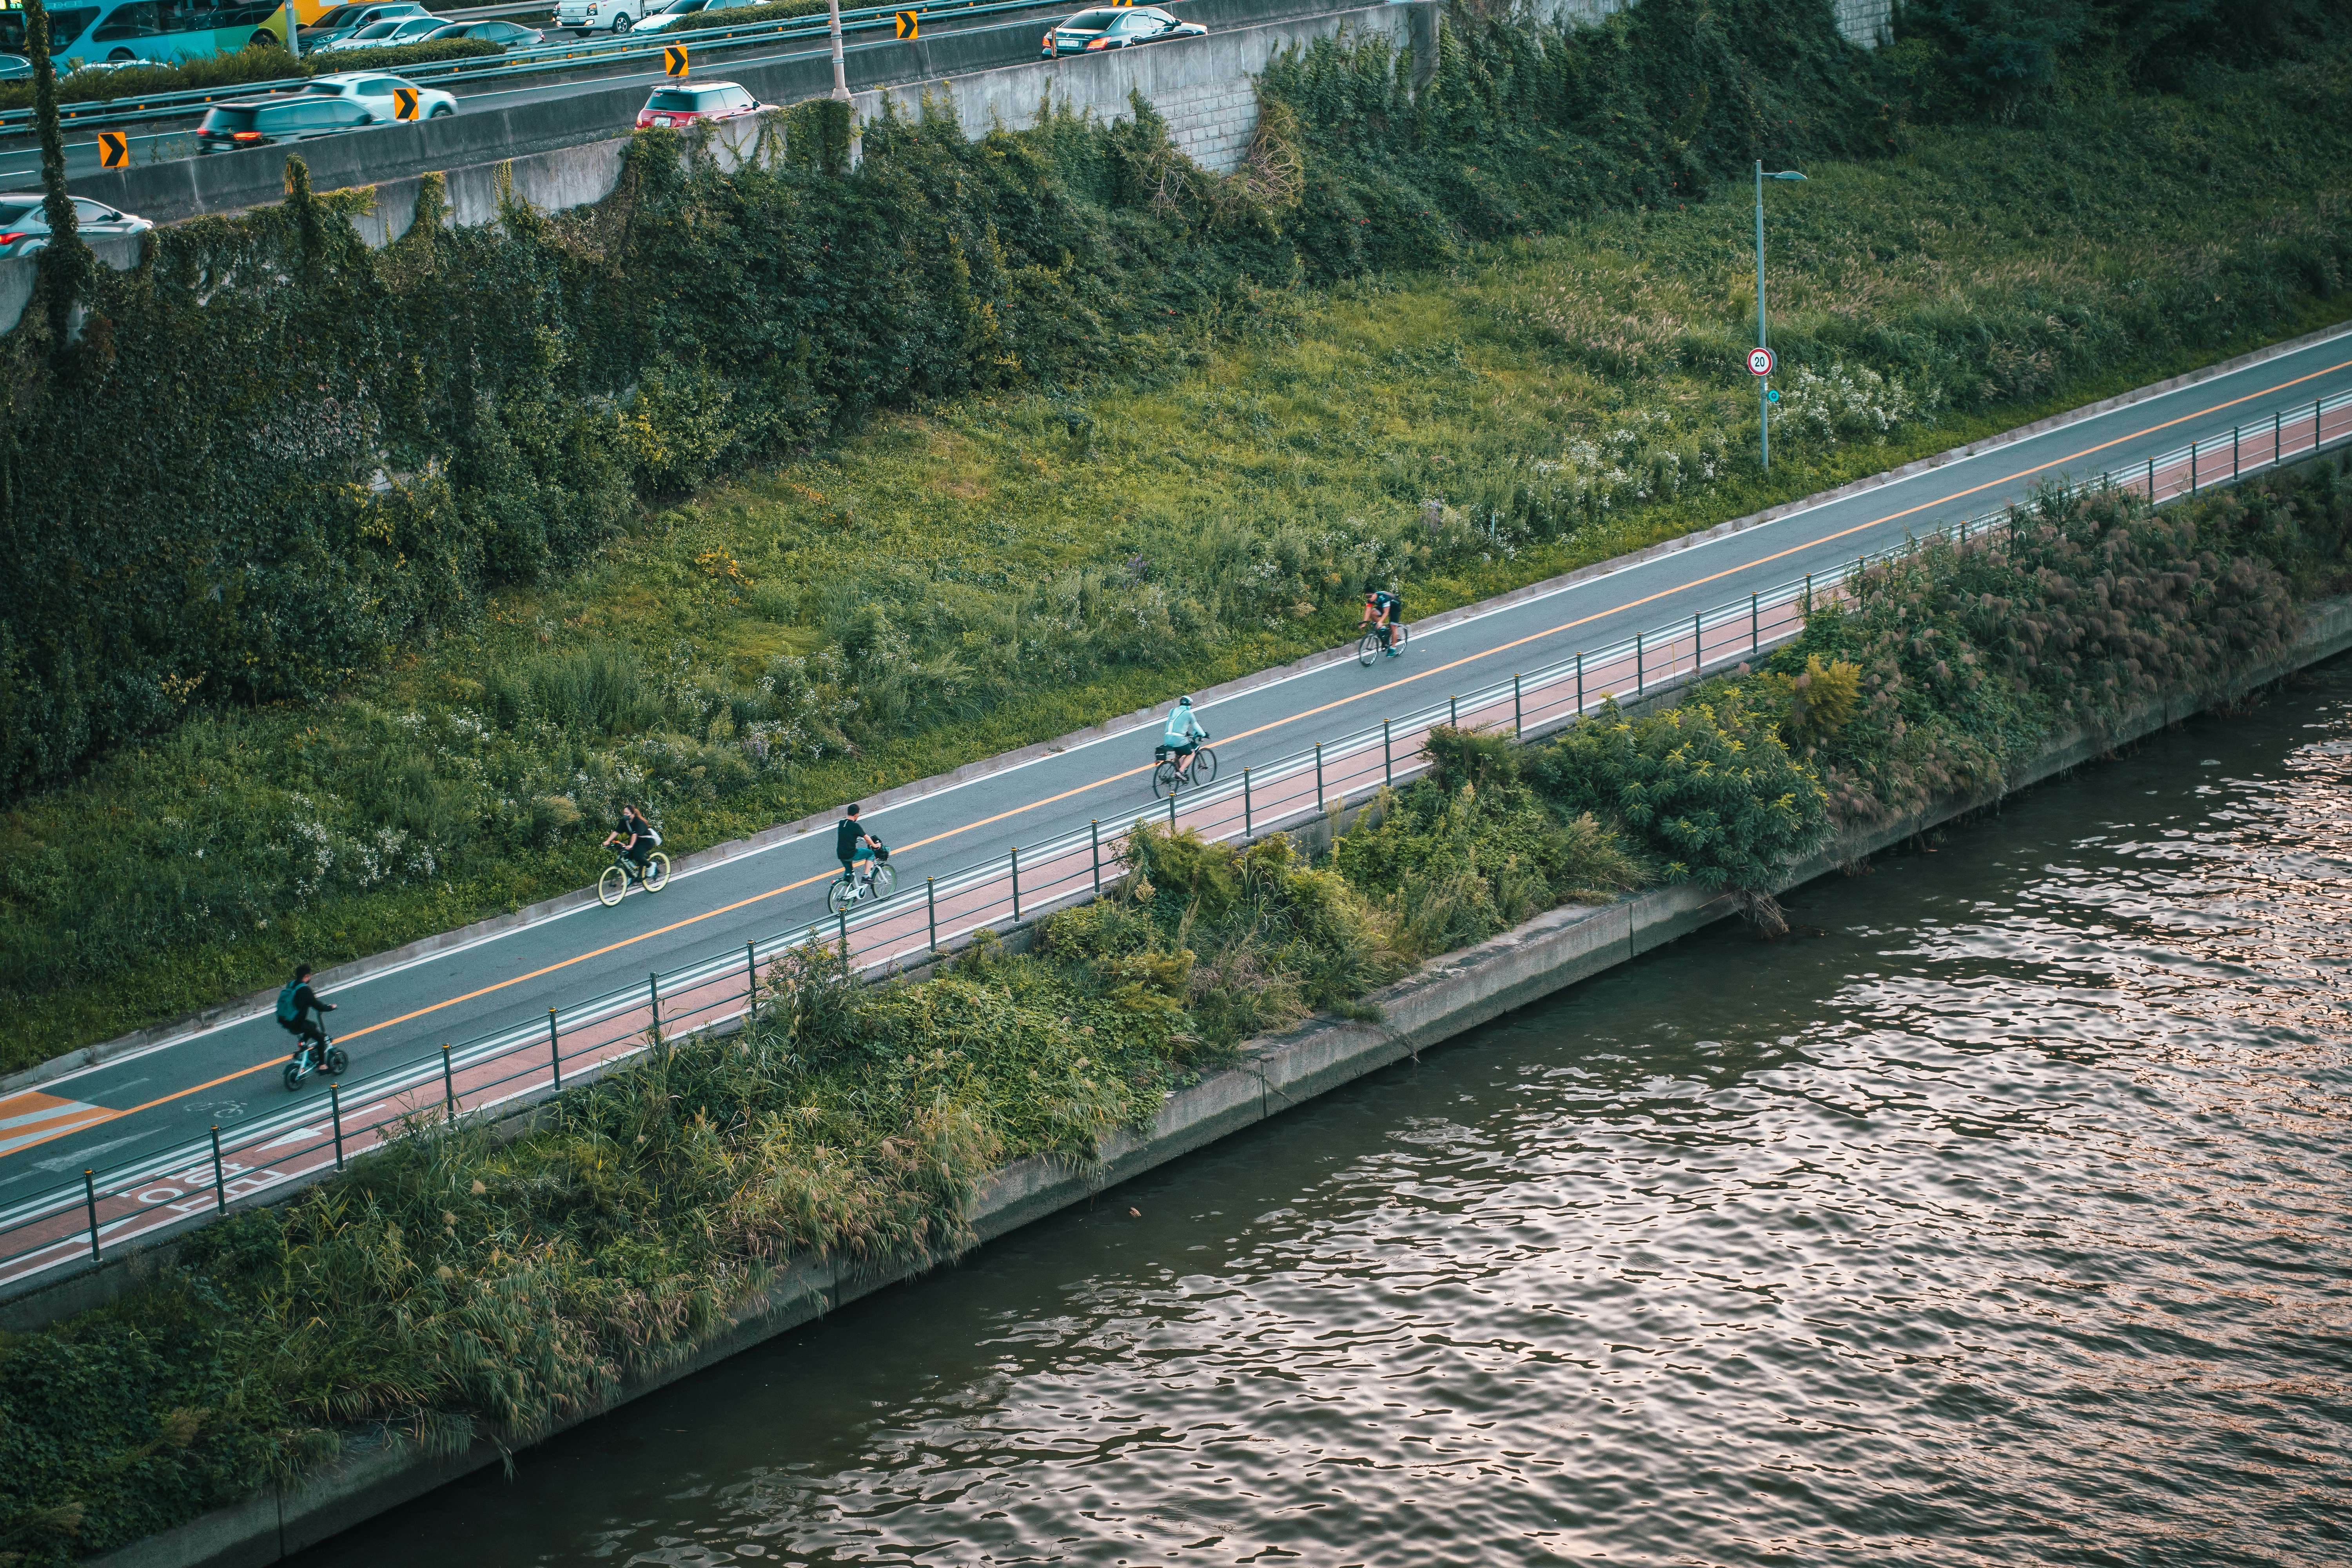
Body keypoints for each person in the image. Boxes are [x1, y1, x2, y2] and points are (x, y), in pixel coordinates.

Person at [274, 963, 337, 1067]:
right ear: (306, 976)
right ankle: (322, 1065)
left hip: (286, 1021)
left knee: (312, 1026)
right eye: (310, 976)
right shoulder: (305, 990)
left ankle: (301, 1048)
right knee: (321, 1038)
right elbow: (317, 1006)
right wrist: (330, 1007)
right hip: (296, 1023)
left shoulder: (292, 985)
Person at [602, 805, 659, 881]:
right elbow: (616, 832)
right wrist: (608, 841)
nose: (625, 815)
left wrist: (631, 846)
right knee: (626, 856)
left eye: (627, 813)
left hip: (647, 841)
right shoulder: (624, 822)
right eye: (624, 813)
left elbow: (635, 835)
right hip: (637, 841)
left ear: (633, 814)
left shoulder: (638, 821)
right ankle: (631, 877)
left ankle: (651, 865)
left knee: (637, 855)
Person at [836, 802, 883, 891]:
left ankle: (847, 892)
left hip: (841, 854)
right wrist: (874, 845)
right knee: (871, 854)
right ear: (856, 815)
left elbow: (847, 835)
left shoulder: (841, 823)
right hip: (851, 853)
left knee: (849, 874)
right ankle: (866, 877)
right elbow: (867, 838)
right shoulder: (855, 826)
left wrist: (855, 840)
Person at [1161, 695, 1210, 767]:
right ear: (1189, 704)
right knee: (1191, 753)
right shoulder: (1188, 713)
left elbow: (1176, 724)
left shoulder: (1172, 711)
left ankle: (1178, 775)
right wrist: (1204, 734)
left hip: (1167, 739)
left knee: (1177, 756)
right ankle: (1181, 771)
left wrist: (1187, 732)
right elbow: (1196, 725)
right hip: (1178, 740)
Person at [1359, 584, 1405, 657]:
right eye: (1367, 597)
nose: (1369, 599)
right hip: (1384, 606)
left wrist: (1380, 622)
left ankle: (1393, 648)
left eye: (1370, 596)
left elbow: (1386, 612)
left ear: (1375, 594)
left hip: (1395, 608)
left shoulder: (1384, 597)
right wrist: (1365, 623)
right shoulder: (1371, 599)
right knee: (1373, 613)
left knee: (1393, 627)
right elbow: (1368, 611)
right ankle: (1384, 629)